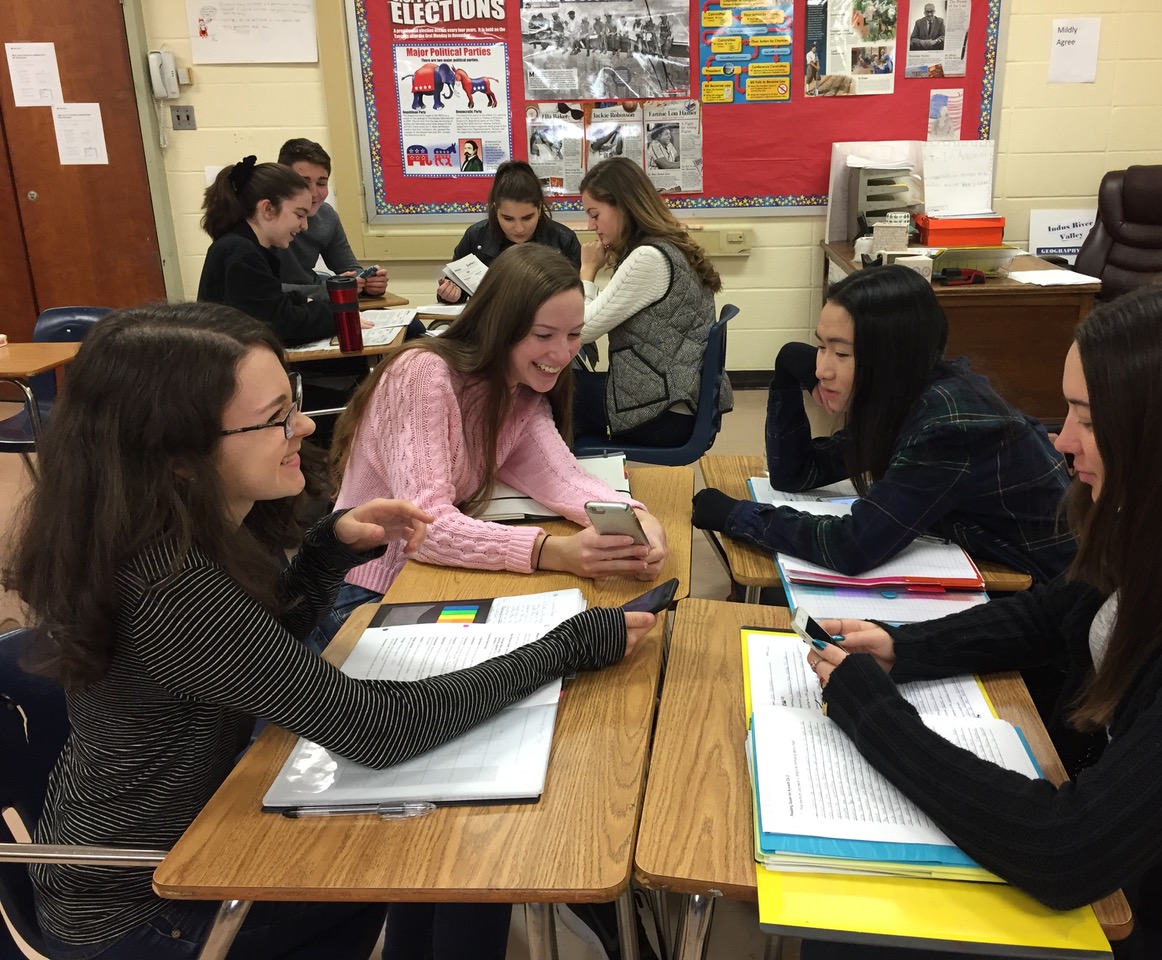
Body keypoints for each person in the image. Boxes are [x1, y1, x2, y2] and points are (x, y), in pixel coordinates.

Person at [2, 301, 654, 960]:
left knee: (439, 830)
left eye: (293, 404)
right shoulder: (166, 583)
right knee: (460, 853)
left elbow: (255, 651)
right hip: (149, 907)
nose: (305, 425)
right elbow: (380, 729)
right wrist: (563, 648)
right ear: (179, 456)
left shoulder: (180, 528)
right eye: (275, 418)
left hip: (187, 840)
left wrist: (327, 550)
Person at [802, 277, 1162, 960]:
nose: (1061, 440)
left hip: (1161, 923)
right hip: (1115, 853)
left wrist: (872, 712)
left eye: (1088, 418)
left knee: (854, 930)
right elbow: (1050, 615)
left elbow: (1067, 850)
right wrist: (901, 648)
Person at [324, 243, 669, 640]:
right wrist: (553, 552)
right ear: (500, 326)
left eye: (574, 334)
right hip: (364, 592)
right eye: (544, 335)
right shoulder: (422, 374)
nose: (562, 353)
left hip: (428, 578)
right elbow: (423, 529)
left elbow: (560, 477)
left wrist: (637, 519)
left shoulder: (519, 389)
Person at [691, 265, 1073, 584]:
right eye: (821, 346)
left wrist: (736, 515)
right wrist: (787, 376)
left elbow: (851, 547)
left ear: (891, 357)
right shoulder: (904, 395)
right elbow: (796, 474)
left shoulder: (946, 428)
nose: (822, 369)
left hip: (1049, 596)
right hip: (997, 566)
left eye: (841, 353)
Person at [574, 156, 731, 446]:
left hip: (661, 413)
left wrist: (587, 272)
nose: (590, 225)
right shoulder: (667, 245)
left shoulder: (648, 258)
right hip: (674, 398)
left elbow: (581, 330)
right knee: (565, 386)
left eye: (595, 214)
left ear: (623, 206)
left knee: (547, 391)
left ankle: (565, 470)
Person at [198, 156, 372, 348]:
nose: (304, 226)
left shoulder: (241, 246)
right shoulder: (243, 253)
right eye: (299, 214)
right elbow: (281, 324)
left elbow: (271, 302)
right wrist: (339, 316)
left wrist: (303, 301)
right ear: (268, 209)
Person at [437, 160, 581, 304]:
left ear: (539, 208)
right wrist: (450, 294)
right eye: (508, 219)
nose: (519, 228)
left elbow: (579, 295)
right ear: (495, 209)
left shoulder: (564, 240)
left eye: (527, 218)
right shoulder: (476, 237)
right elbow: (455, 288)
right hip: (490, 317)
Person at [275, 138, 389, 302]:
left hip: (312, 301)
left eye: (322, 183)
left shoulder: (326, 215)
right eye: (303, 183)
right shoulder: (262, 223)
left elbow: (350, 269)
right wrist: (327, 290)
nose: (313, 193)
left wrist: (368, 283)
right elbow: (260, 289)